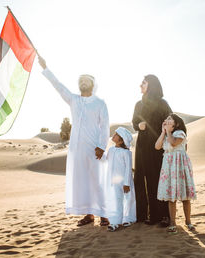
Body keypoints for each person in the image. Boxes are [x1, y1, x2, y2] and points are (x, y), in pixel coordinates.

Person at [37, 55, 110, 226]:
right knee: (83, 182)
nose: (83, 82)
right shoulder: (73, 100)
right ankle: (89, 215)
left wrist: (101, 146)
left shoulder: (100, 103)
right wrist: (46, 68)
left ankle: (104, 214)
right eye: (81, 80)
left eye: (86, 80)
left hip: (94, 148)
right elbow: (58, 86)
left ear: (92, 84)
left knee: (97, 181)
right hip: (77, 149)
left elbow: (105, 126)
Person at [132, 75, 172, 226]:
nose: (140, 85)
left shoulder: (162, 103)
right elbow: (134, 121)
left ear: (151, 85)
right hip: (142, 146)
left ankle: (163, 216)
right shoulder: (138, 104)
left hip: (158, 146)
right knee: (142, 179)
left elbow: (170, 121)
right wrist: (138, 125)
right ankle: (144, 215)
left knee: (158, 179)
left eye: (143, 83)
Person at [155, 113, 197, 233]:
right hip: (168, 166)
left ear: (176, 124)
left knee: (185, 196)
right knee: (171, 197)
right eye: (166, 118)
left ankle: (188, 221)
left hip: (179, 166)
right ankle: (173, 223)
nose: (167, 120)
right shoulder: (167, 134)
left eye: (170, 119)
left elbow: (173, 143)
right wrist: (163, 132)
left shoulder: (180, 134)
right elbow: (157, 146)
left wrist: (168, 132)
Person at [102, 127, 136, 232]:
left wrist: (126, 183)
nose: (114, 135)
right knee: (115, 200)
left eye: (116, 134)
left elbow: (128, 169)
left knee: (127, 200)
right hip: (112, 181)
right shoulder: (111, 150)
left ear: (121, 140)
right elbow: (105, 159)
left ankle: (128, 218)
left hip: (124, 181)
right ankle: (115, 221)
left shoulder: (126, 153)